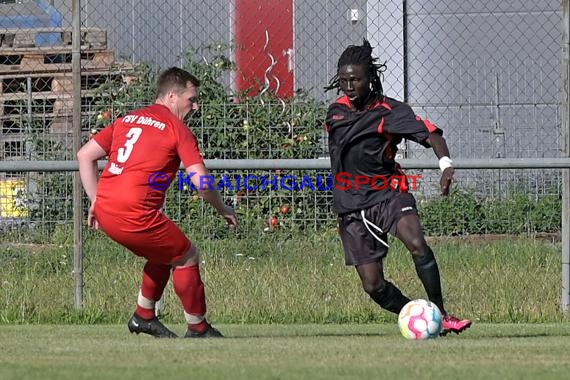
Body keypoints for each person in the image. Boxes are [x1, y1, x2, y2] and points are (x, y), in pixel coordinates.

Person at [324, 39, 471, 335]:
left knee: (417, 244)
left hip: (388, 193)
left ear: (370, 79)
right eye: (343, 81)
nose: (349, 86)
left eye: (356, 79)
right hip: (351, 205)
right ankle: (420, 316)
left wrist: (445, 164)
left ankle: (441, 312)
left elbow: (431, 135)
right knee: (373, 286)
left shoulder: (391, 111)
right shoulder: (334, 113)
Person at [77, 67, 237, 338]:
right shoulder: (177, 129)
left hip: (107, 208)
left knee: (164, 252)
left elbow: (85, 155)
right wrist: (222, 208)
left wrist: (96, 199)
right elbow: (202, 183)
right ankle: (198, 327)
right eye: (192, 99)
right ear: (172, 96)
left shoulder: (127, 119)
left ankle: (144, 315)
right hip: (134, 213)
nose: (196, 106)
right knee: (187, 256)